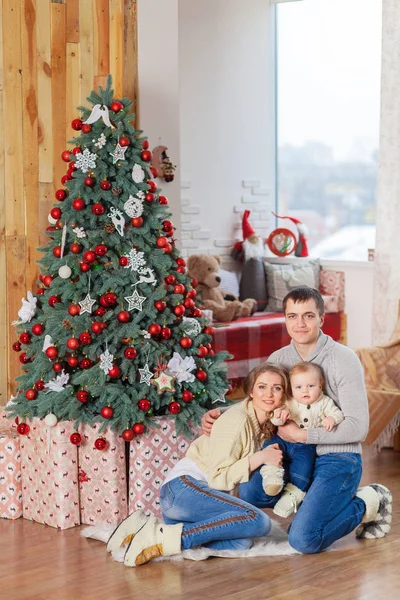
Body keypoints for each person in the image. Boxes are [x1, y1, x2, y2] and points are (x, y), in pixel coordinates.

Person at [202, 286, 392, 553]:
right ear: (285, 319)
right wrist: (221, 415)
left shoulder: (344, 359)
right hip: (293, 453)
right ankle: (312, 504)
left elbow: (358, 427)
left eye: (308, 316)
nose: (299, 323)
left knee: (304, 539)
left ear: (321, 318)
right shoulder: (279, 359)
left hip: (335, 456)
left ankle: (368, 502)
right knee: (251, 492)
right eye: (292, 316)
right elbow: (262, 400)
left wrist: (305, 435)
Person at [106, 363, 288, 567]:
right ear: (251, 391)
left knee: (240, 542)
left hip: (190, 507)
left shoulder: (262, 421)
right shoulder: (237, 420)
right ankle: (161, 539)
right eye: (262, 387)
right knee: (258, 521)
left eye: (277, 388)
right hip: (183, 490)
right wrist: (260, 458)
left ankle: (146, 528)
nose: (269, 394)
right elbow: (218, 479)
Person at [260, 361, 344, 518]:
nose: (305, 391)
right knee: (270, 447)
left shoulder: (324, 402)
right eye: (298, 387)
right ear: (292, 389)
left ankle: (291, 498)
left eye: (310, 386)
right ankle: (272, 474)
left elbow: (338, 413)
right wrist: (279, 417)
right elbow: (275, 416)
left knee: (304, 469)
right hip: (282, 440)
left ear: (320, 385)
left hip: (305, 446)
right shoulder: (290, 402)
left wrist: (332, 419)